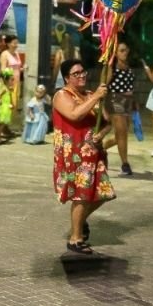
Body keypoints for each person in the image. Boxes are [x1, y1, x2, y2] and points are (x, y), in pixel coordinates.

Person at [52, 59, 111, 253]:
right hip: (74, 154)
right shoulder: (61, 95)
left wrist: (101, 135)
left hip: (94, 152)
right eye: (76, 73)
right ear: (67, 78)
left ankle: (80, 221)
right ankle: (75, 238)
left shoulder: (91, 94)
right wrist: (95, 99)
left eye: (83, 71)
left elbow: (107, 123)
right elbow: (75, 115)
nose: (82, 75)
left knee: (101, 193)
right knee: (81, 195)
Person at [100, 42, 138, 176]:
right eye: (121, 50)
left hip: (127, 102)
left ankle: (101, 148)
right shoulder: (111, 67)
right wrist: (102, 107)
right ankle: (125, 164)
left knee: (122, 135)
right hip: (115, 100)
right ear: (115, 53)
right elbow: (103, 87)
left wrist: (134, 105)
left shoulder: (128, 66)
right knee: (121, 133)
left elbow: (130, 88)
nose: (125, 52)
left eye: (126, 49)